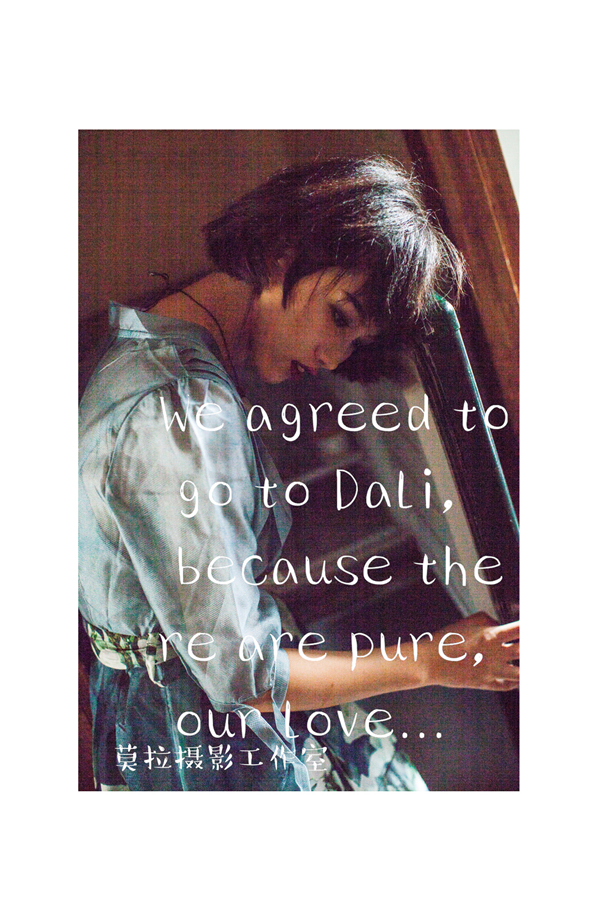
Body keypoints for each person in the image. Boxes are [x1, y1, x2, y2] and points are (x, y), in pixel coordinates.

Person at [79, 156, 519, 791]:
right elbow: (246, 676)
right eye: (340, 315)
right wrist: (435, 660)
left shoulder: (151, 349)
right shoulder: (181, 407)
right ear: (280, 254)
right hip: (197, 737)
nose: (335, 356)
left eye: (356, 340)